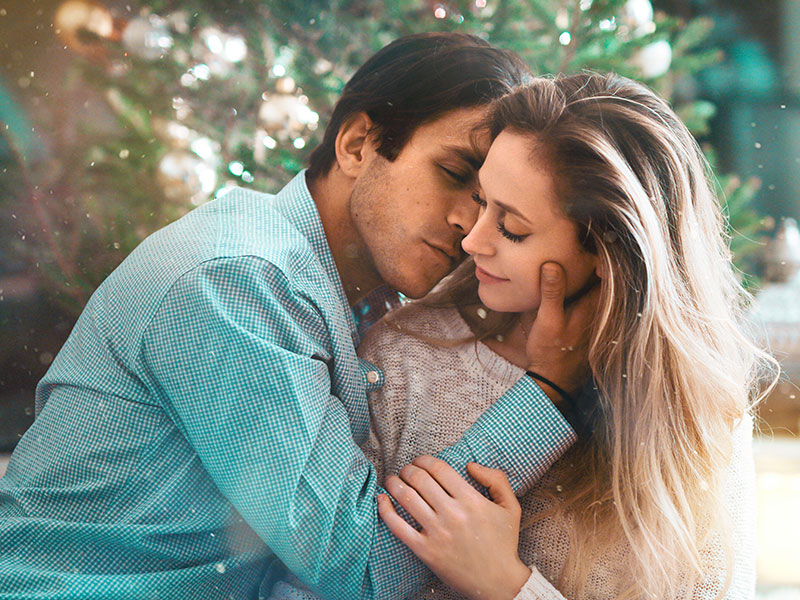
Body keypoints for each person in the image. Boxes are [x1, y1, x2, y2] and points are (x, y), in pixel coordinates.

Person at [0, 34, 592, 600]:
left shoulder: (358, 297)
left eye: (493, 205)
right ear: (359, 143)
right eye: (454, 175)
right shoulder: (234, 280)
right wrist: (548, 387)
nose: (471, 227)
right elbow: (361, 568)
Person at [337, 72, 773, 600]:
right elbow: (332, 581)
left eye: (512, 228)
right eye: (481, 202)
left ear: (610, 253)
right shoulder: (405, 355)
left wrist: (507, 586)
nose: (472, 240)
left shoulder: (698, 410)